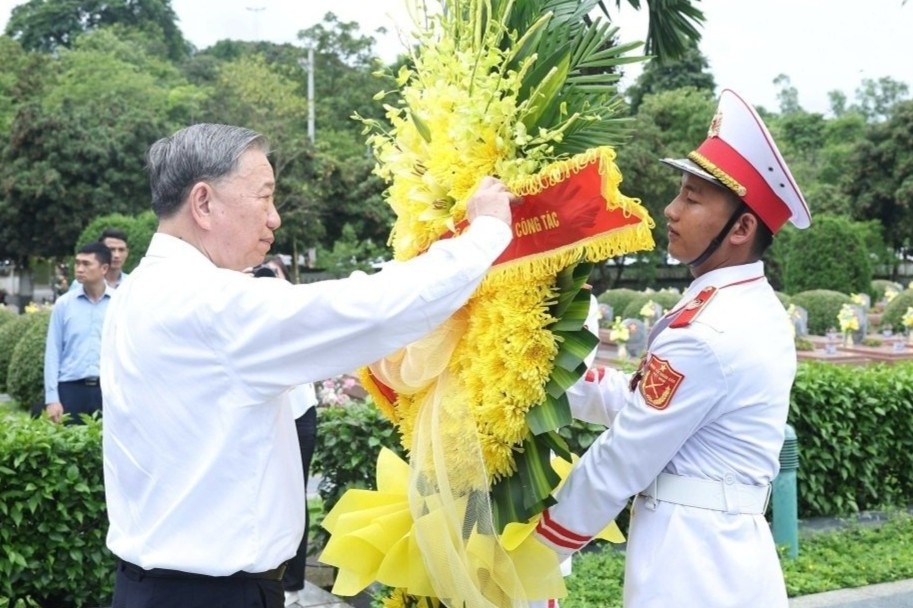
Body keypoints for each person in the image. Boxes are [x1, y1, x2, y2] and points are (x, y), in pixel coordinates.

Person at [101, 123, 519, 608]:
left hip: (159, 587)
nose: (274, 218)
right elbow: (370, 311)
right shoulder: (208, 304)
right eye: (264, 196)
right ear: (204, 202)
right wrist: (486, 232)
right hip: (210, 595)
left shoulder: (140, 290)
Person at [534, 89, 812, 607]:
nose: (671, 209)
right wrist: (539, 382)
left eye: (692, 198)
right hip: (717, 551)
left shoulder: (710, 331)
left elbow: (622, 457)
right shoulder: (742, 305)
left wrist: (530, 554)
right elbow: (648, 404)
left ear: (741, 228)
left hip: (693, 566)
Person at [251, 254, 320, 607]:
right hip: (261, 417)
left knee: (295, 496)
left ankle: (292, 583)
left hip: (299, 413)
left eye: (276, 275)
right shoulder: (245, 322)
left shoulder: (297, 318)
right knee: (263, 495)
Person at [44, 241, 113, 424]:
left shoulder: (118, 302)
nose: (80, 269)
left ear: (104, 268)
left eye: (86, 264)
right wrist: (52, 398)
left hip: (108, 389)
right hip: (70, 389)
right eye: (77, 263)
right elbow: (53, 351)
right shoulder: (64, 304)